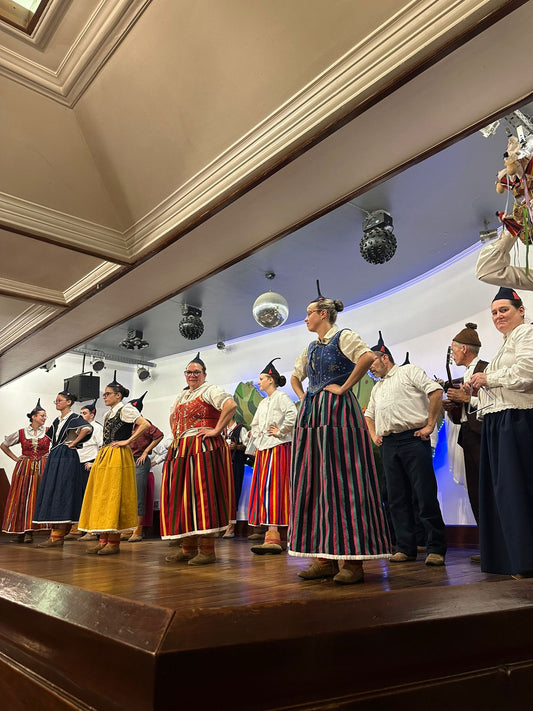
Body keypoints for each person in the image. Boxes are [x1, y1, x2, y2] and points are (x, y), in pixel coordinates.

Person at [289, 285, 391, 585]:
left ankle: (353, 562)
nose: (305, 319)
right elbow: (296, 376)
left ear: (323, 314)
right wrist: (305, 396)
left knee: (345, 480)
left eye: (308, 313)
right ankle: (324, 559)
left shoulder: (343, 335)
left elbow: (367, 357)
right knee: (315, 481)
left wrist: (345, 388)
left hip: (338, 414)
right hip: (314, 415)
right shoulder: (310, 348)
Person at [365, 333, 447, 567]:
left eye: (372, 363)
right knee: (395, 498)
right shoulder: (377, 388)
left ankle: (436, 548)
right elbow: (369, 415)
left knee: (424, 494)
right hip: (389, 444)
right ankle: (405, 547)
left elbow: (436, 392)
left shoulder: (409, 372)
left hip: (413, 439)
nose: (370, 368)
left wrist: (430, 425)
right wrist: (373, 435)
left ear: (384, 358)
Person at [468, 287, 533, 578]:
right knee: (502, 492)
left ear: (521, 310)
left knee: (516, 490)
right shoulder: (505, 344)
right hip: (497, 421)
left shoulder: (526, 334)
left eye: (503, 310)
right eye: (494, 312)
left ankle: (525, 559)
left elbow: (526, 374)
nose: (498, 316)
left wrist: (488, 378)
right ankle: (510, 557)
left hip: (517, 419)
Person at [162, 352, 237, 566]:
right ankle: (187, 548)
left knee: (203, 496)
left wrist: (216, 430)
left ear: (204, 374)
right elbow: (174, 419)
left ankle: (207, 551)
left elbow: (230, 405)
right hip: (182, 449)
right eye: (189, 372)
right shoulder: (182, 395)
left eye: (196, 372)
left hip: (202, 447)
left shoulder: (211, 390)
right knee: (182, 498)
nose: (192, 375)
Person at [77, 373, 150, 556]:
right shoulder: (108, 413)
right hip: (106, 454)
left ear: (118, 395)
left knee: (114, 495)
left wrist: (128, 441)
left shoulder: (126, 409)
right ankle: (103, 540)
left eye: (108, 394)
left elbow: (145, 425)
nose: (105, 396)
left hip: (118, 455)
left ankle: (114, 542)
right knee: (102, 495)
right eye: (105, 394)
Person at [443, 323, 488, 562]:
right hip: (468, 436)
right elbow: (462, 413)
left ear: (464, 349)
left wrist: (466, 397)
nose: (452, 354)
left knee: (486, 489)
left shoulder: (485, 369)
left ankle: (495, 544)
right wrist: (452, 407)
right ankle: (486, 545)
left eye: (454, 349)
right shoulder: (465, 374)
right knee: (475, 491)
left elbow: (490, 401)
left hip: (483, 437)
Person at [248, 358, 297, 554]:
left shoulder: (281, 397)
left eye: (261, 379)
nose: (258, 382)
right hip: (264, 449)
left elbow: (293, 414)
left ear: (270, 379)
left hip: (277, 447)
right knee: (263, 488)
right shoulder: (264, 402)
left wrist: (281, 431)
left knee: (274, 488)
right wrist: (256, 435)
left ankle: (274, 536)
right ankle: (274, 534)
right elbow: (254, 424)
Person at [33, 387, 93, 547]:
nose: (57, 403)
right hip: (56, 456)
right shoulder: (58, 420)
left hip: (66, 457)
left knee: (62, 489)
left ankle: (59, 535)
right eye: (56, 401)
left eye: (59, 400)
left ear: (69, 402)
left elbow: (87, 428)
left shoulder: (74, 418)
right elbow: (51, 438)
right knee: (52, 489)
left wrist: (73, 442)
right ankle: (55, 535)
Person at [1, 399, 49, 544]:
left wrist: (50, 455)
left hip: (42, 467)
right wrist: (15, 458)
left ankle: (31, 531)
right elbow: (4, 445)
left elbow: (61, 443)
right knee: (21, 498)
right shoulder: (22, 432)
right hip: (25, 468)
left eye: (45, 416)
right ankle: (21, 531)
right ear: (33, 417)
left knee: (37, 497)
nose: (44, 418)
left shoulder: (48, 431)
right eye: (42, 415)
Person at [123, 392, 163, 542]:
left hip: (139, 460)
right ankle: (127, 528)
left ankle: (138, 530)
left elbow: (159, 435)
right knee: (127, 495)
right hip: (127, 460)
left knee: (138, 495)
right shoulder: (127, 425)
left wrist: (146, 451)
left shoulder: (144, 423)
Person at [67, 399, 103, 541]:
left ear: (92, 415)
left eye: (84, 413)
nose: (81, 415)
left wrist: (94, 463)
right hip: (78, 464)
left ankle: (92, 531)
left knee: (91, 498)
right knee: (79, 497)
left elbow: (102, 447)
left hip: (90, 465)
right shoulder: (80, 428)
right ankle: (78, 528)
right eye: (80, 413)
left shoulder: (97, 428)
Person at [223, 416, 249, 538]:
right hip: (223, 465)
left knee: (233, 493)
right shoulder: (222, 431)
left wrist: (236, 447)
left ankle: (231, 525)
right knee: (223, 495)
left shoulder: (240, 429)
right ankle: (223, 524)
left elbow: (248, 446)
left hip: (236, 464)